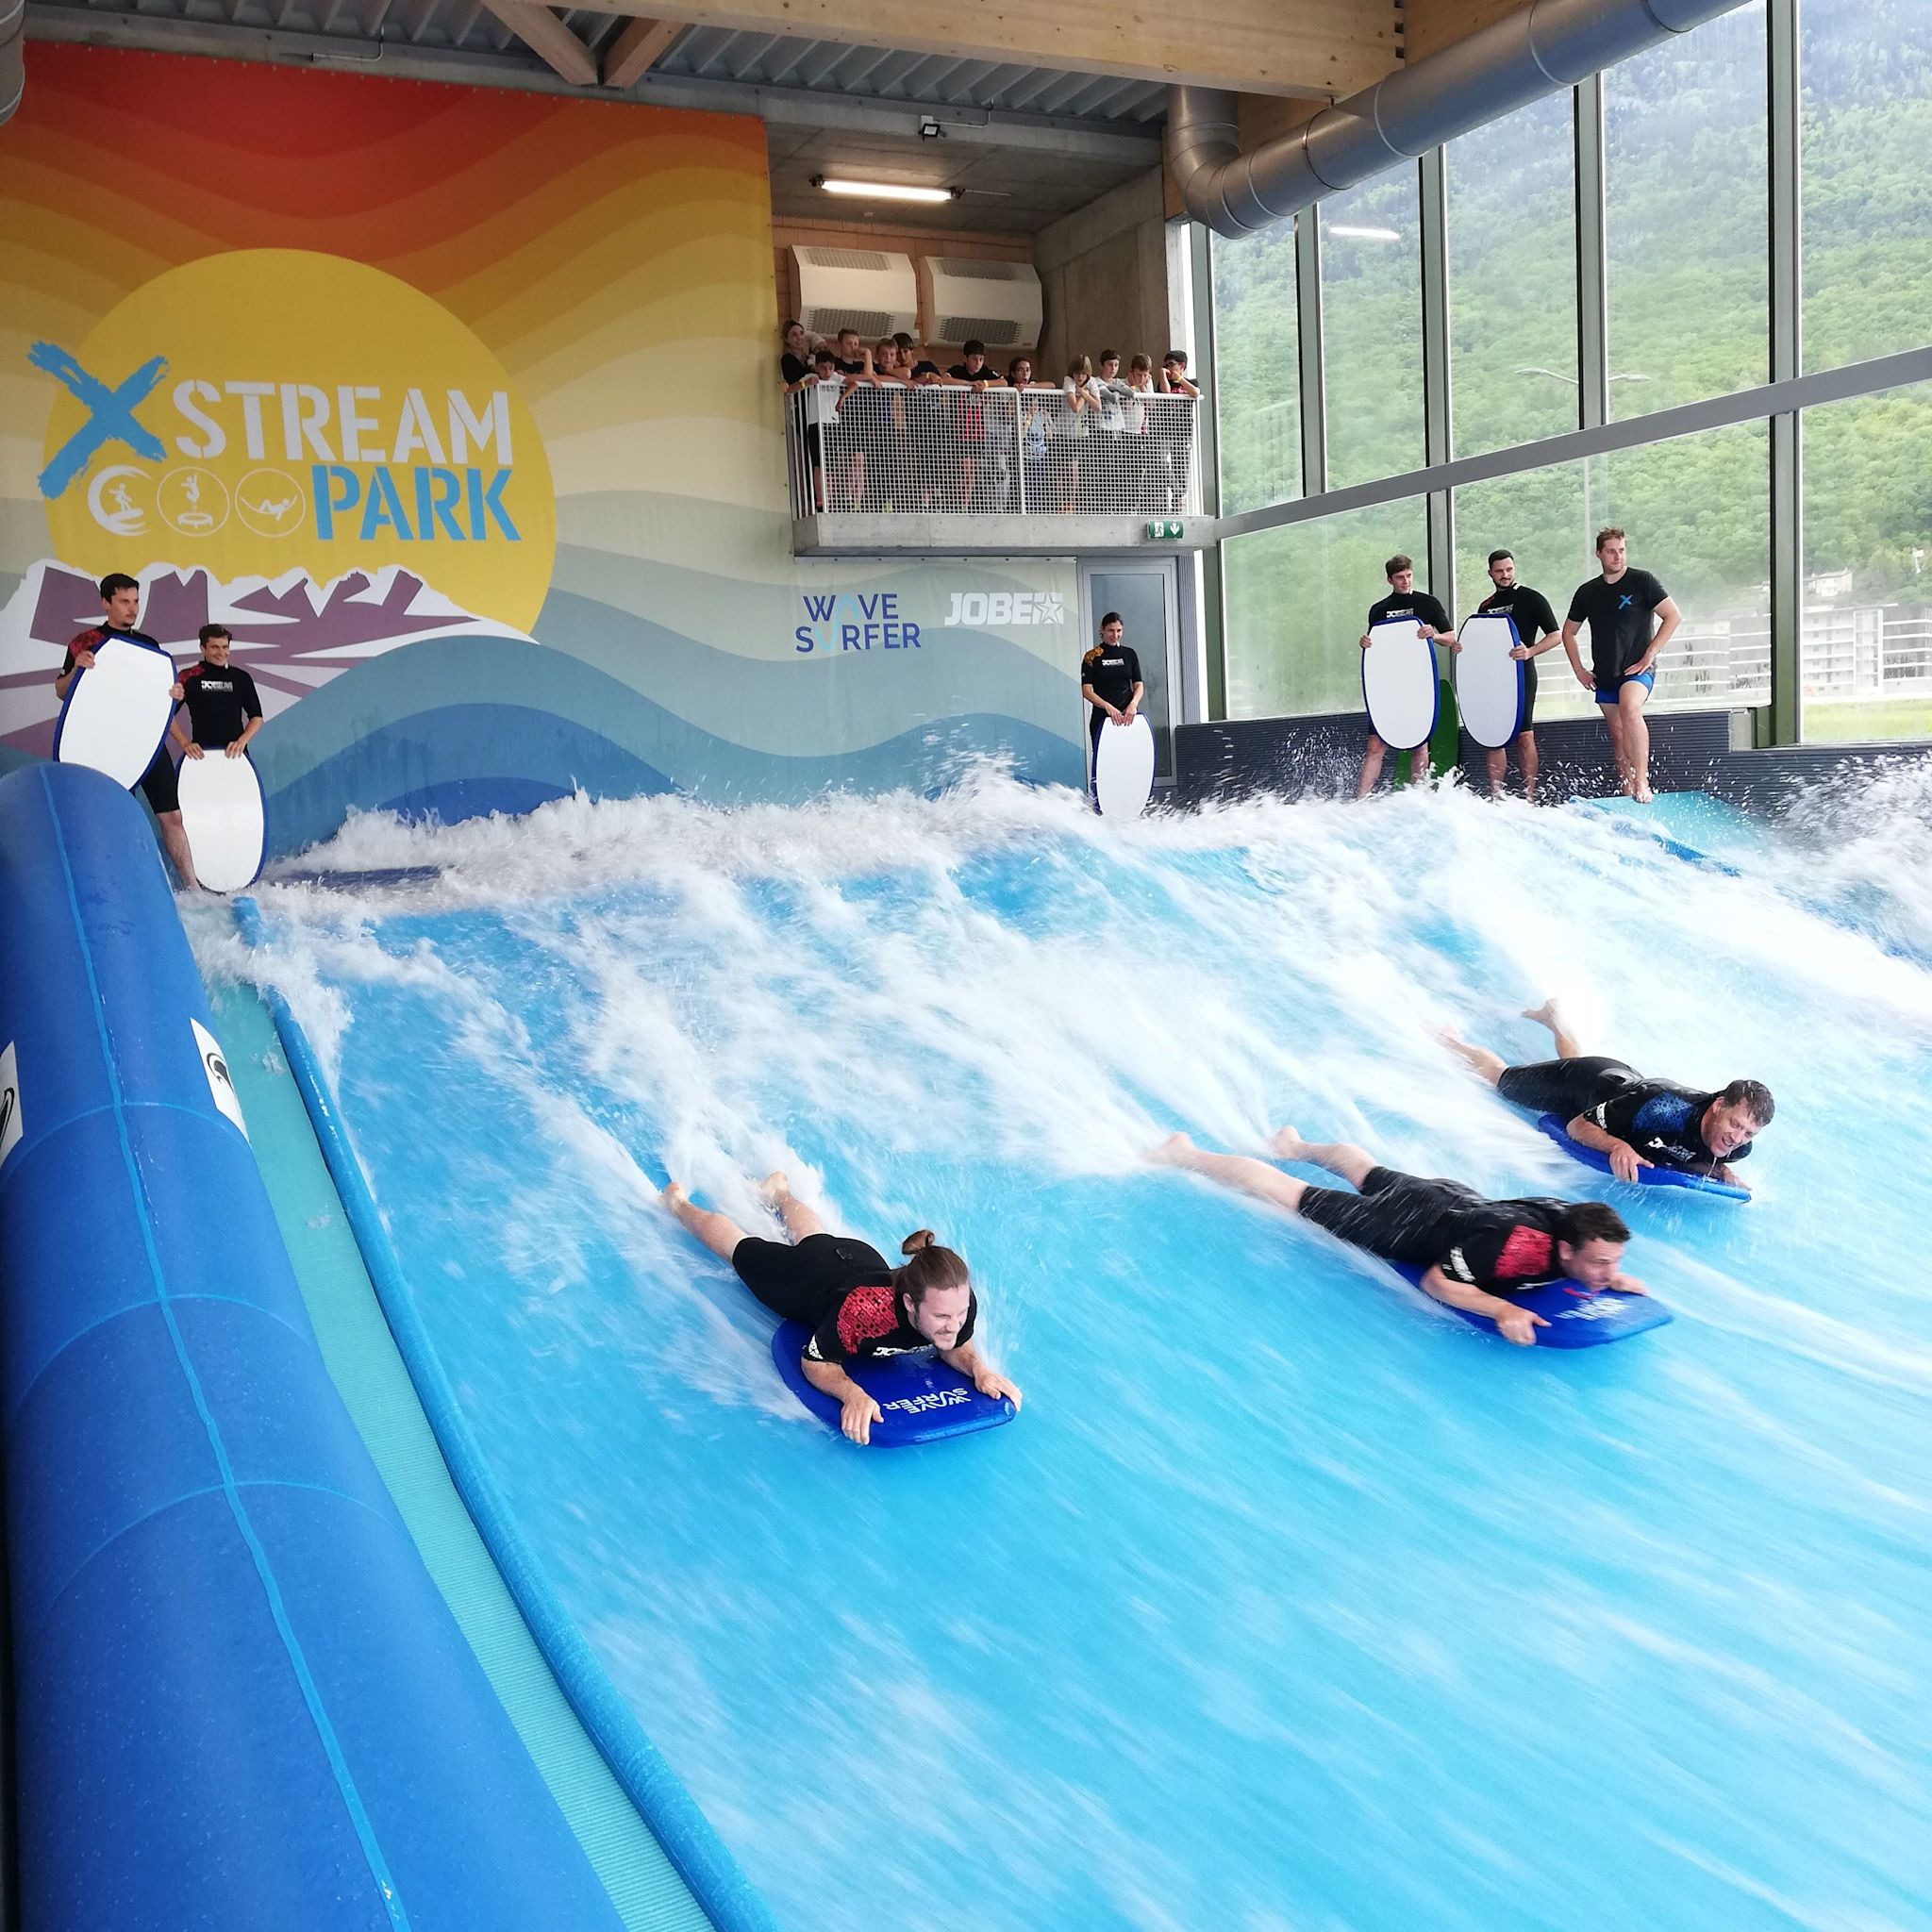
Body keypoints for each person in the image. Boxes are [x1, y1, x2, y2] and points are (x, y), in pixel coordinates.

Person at [1149, 1127, 1642, 1347]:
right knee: (1289, 1193)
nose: (1609, 1270)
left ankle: (1295, 1144)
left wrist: (1604, 1278)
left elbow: (1575, 1250)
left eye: (1613, 1261)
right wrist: (1501, 1309)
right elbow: (1438, 1282)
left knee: (1366, 1170)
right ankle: (1184, 1154)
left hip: (1452, 1198)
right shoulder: (1516, 1249)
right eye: (1600, 1262)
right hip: (1409, 1224)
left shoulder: (1572, 1219)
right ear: (1564, 1250)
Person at [662, 1172, 1021, 1445]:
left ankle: (778, 1193)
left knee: (817, 1238)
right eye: (941, 1317)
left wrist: (979, 1369)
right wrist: (852, 1394)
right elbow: (815, 1362)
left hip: (857, 1259)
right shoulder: (866, 1315)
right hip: (807, 1278)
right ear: (909, 1302)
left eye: (959, 1315)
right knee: (739, 1248)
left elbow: (956, 1345)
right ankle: (678, 1204)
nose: (954, 1325)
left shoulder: (957, 1299)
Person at [1440, 999, 1773, 1189]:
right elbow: (1576, 1126)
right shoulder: (1664, 1108)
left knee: (1576, 1062)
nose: (1737, 1138)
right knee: (1501, 1080)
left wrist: (1718, 1171)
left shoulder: (1737, 1147)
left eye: (1748, 1133)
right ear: (1718, 1106)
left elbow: (1688, 1151)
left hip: (1622, 1090)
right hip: (1585, 1084)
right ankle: (1450, 1041)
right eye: (1735, 1124)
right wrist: (1618, 1146)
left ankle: (1556, 1018)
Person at [54, 572, 195, 889]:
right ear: (105, 603)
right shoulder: (84, 642)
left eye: (136, 602)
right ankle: (113, 886)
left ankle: (192, 887)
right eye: (124, 602)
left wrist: (173, 694)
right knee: (112, 816)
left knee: (172, 816)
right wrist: (77, 670)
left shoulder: (149, 645)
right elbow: (62, 692)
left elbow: (159, 696)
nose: (132, 609)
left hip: (147, 740)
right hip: (107, 744)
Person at [1560, 527, 1681, 804]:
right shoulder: (1588, 592)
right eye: (1612, 551)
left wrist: (1650, 654)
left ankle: (1642, 781)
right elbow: (1568, 632)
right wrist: (1579, 670)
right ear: (1599, 554)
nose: (1618, 556)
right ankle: (1626, 790)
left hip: (1637, 669)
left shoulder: (1642, 581)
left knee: (1630, 708)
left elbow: (1673, 616)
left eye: (1622, 550)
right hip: (1605, 673)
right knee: (1617, 735)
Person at [1357, 554, 1457, 798]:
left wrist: (1434, 635)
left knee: (1419, 741)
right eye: (1400, 577)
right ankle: (1360, 800)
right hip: (1388, 684)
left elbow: (1451, 638)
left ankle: (1417, 798)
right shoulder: (1378, 610)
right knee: (1375, 745)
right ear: (1390, 579)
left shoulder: (1428, 603)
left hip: (1417, 681)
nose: (1406, 581)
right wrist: (1366, 643)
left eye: (1409, 576)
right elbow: (1376, 645)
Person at [1474, 549, 1562, 803]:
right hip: (1493, 679)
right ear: (1490, 573)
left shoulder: (1531, 598)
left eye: (1509, 569)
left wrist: (1530, 651)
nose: (1505, 575)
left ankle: (1530, 796)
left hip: (1522, 676)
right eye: (1499, 571)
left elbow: (1555, 635)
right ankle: (1496, 797)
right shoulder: (1485, 606)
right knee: (1495, 737)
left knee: (1524, 736)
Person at [171, 625, 263, 764]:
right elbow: (167, 715)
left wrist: (241, 742)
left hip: (235, 756)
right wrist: (184, 743)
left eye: (225, 647)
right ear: (203, 648)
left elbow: (257, 717)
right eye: (215, 647)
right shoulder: (188, 677)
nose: (221, 652)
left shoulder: (241, 678)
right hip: (202, 756)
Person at [1080, 609, 1143, 806]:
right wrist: (1107, 707)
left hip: (1127, 718)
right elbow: (1087, 691)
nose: (1114, 635)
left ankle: (1130, 803)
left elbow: (1139, 685)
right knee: (1105, 763)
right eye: (1110, 631)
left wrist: (1133, 705)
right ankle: (1100, 805)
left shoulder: (1129, 654)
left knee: (1129, 761)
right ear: (1102, 630)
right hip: (1103, 719)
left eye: (1118, 631)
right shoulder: (1092, 656)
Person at [946, 339, 1006, 512]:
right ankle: (958, 504)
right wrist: (968, 384)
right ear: (965, 358)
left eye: (981, 359)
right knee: (962, 469)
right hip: (958, 431)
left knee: (971, 470)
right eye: (974, 359)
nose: (978, 363)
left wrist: (985, 384)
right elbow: (945, 379)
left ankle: (964, 505)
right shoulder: (957, 371)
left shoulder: (985, 372)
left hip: (977, 432)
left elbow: (1003, 382)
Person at [778, 318, 815, 390]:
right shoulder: (787, 359)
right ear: (786, 339)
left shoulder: (809, 359)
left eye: (801, 333)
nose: (799, 337)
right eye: (794, 335)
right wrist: (806, 382)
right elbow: (791, 384)